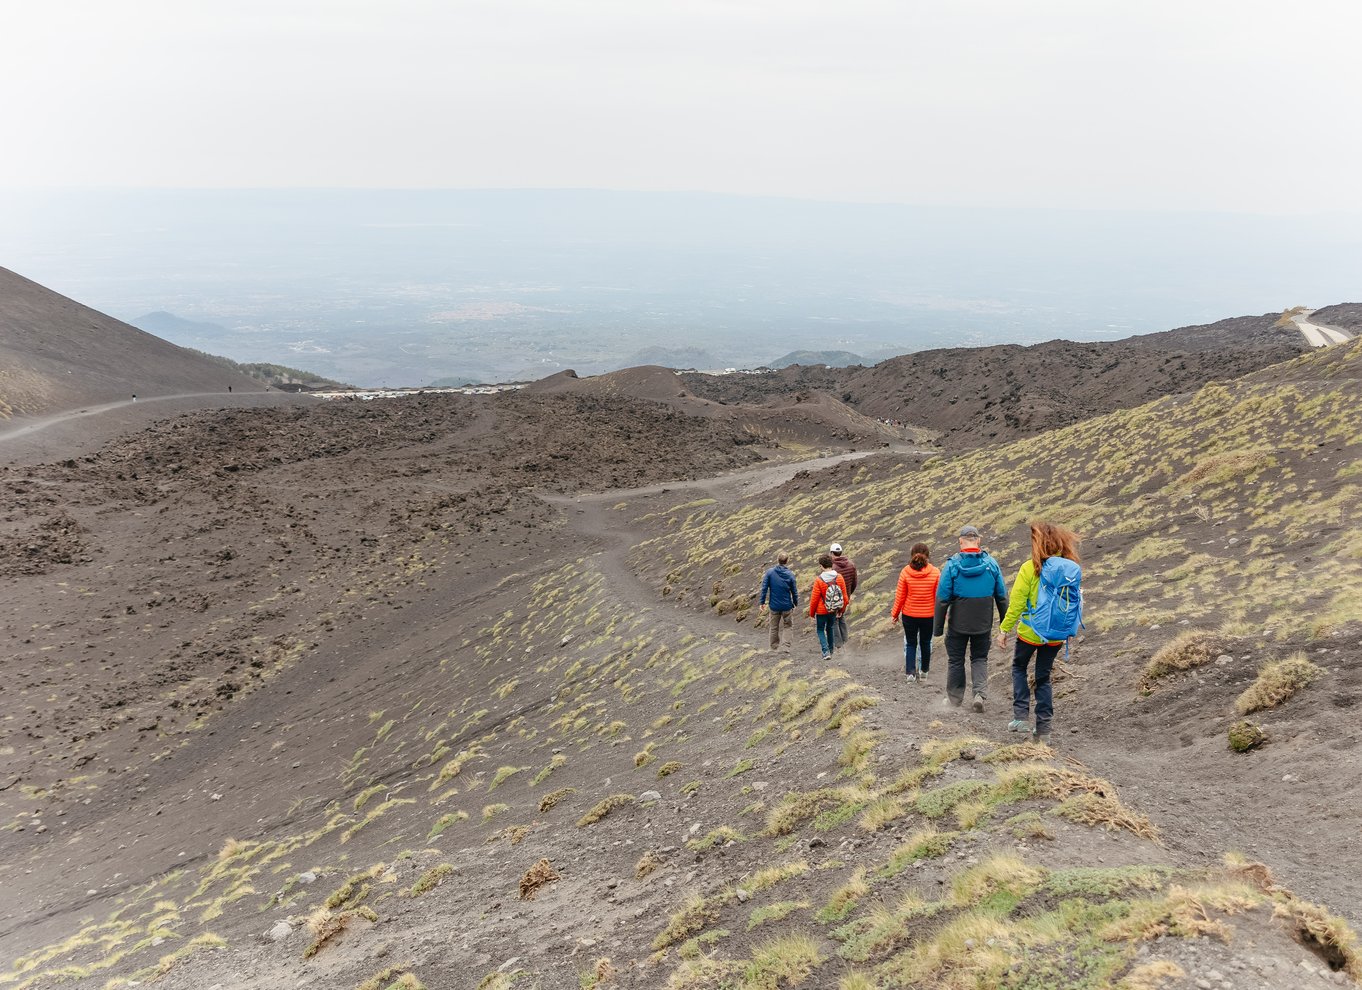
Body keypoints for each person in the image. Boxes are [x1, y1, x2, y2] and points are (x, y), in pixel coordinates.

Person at [998, 522, 1082, 744]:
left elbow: (1016, 604)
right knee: (1043, 677)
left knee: (1019, 667)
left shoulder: (1030, 567)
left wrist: (1004, 629)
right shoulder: (1069, 567)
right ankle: (1043, 728)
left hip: (1031, 632)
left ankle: (1021, 717)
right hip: (1057, 634)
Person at [933, 525, 1007, 711]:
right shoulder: (992, 564)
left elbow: (942, 599)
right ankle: (979, 694)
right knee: (979, 658)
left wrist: (938, 629)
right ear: (978, 541)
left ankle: (954, 700)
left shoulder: (952, 566)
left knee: (956, 660)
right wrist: (1004, 627)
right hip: (983, 623)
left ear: (960, 541)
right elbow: (1002, 597)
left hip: (958, 623)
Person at [890, 542, 939, 684]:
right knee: (925, 642)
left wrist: (894, 614)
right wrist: (943, 614)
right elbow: (939, 597)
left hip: (909, 615)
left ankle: (910, 673)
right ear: (928, 556)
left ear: (912, 555)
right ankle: (924, 672)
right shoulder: (935, 572)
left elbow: (900, 596)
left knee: (911, 643)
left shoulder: (905, 572)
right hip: (929, 615)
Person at [809, 553, 849, 662]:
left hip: (821, 611)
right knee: (830, 628)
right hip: (833, 609)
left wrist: (812, 614)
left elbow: (814, 599)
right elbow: (845, 597)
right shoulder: (839, 577)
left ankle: (825, 651)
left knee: (820, 630)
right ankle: (831, 651)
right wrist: (841, 610)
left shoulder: (819, 580)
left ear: (821, 566)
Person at [757, 552, 799, 651]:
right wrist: (795, 603)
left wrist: (762, 602)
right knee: (788, 626)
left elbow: (764, 588)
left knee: (774, 627)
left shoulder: (770, 573)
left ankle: (773, 647)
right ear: (787, 561)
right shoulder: (790, 575)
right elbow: (794, 591)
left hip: (774, 605)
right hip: (787, 606)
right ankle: (785, 647)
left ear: (777, 560)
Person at [829, 543, 858, 647]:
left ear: (832, 553)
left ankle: (838, 644)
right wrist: (849, 593)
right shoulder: (851, 564)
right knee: (841, 617)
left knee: (834, 619)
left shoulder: (832, 568)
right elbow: (855, 582)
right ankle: (846, 640)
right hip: (846, 596)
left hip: (835, 597)